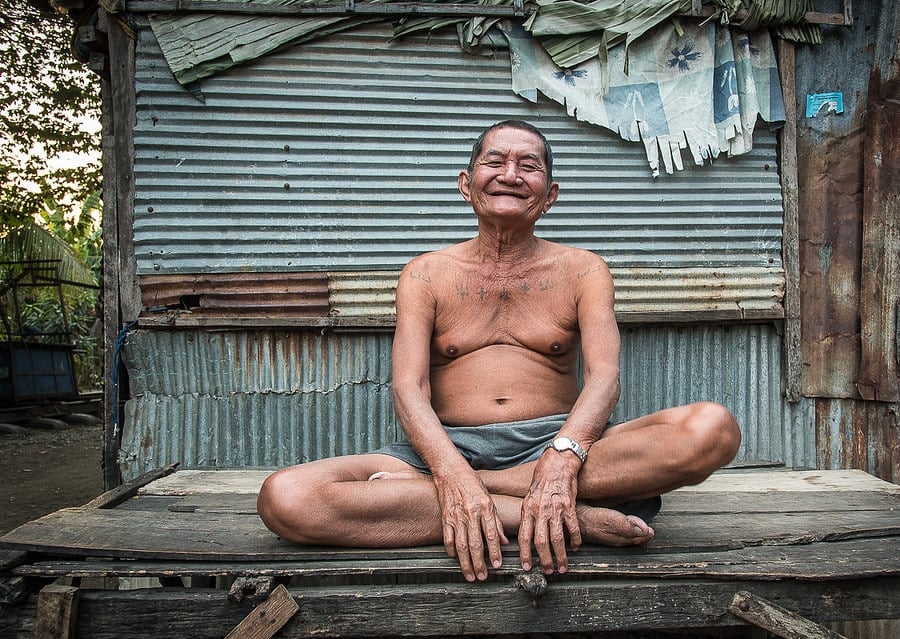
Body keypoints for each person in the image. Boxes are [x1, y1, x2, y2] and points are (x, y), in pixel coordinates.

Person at [257, 120, 741, 582]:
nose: (510, 175)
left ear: (549, 196)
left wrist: (562, 459)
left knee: (711, 430)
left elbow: (604, 377)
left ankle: (496, 495)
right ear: (467, 184)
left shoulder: (584, 269)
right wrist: (450, 471)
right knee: (286, 498)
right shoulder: (425, 273)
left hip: (560, 444)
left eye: (529, 166)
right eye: (496, 162)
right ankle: (570, 518)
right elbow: (409, 387)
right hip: (444, 449)